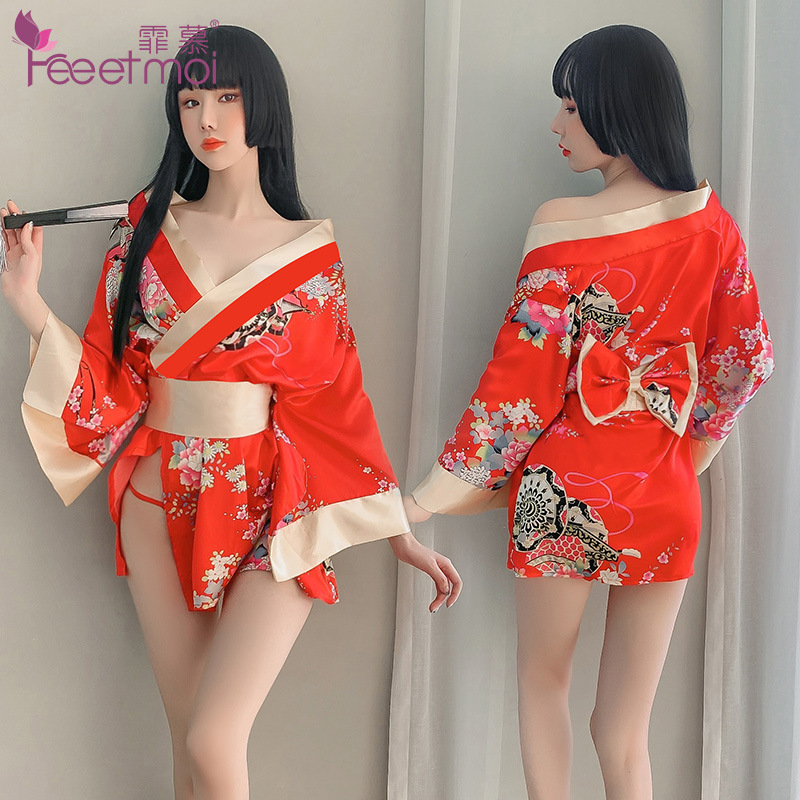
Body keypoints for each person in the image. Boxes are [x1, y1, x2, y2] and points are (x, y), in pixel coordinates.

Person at [1, 25, 461, 800]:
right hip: (156, 500)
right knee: (189, 741)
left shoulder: (309, 253)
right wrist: (26, 300)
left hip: (271, 509)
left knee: (213, 739)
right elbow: (112, 386)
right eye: (189, 101)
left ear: (263, 106)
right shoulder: (144, 232)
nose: (206, 119)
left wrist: (397, 530)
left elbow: (335, 402)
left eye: (226, 97)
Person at [402, 24, 774, 800]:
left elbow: (519, 384)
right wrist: (688, 449)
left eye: (571, 107)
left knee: (543, 684)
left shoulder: (562, 222)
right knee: (624, 729)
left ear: (619, 106)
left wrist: (428, 496)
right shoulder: (713, 226)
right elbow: (745, 361)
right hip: (665, 490)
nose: (557, 125)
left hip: (563, 489)